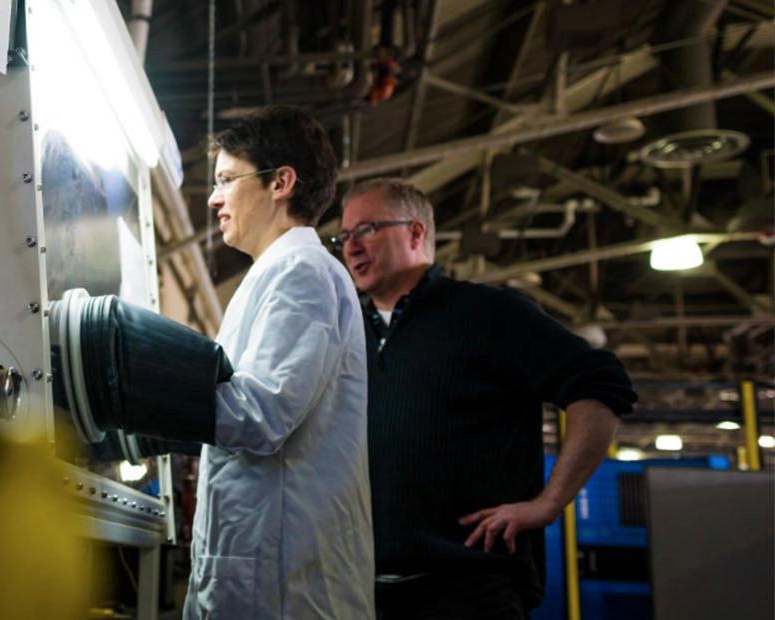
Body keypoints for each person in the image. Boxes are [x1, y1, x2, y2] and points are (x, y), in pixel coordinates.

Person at [335, 178, 637, 619]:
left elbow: (601, 385)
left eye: (367, 230)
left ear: (416, 233)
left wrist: (548, 503)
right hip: (363, 592)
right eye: (343, 236)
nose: (351, 247)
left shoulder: (486, 314)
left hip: (469, 591)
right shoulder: (346, 333)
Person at [184, 105, 373, 619]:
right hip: (263, 572)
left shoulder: (302, 274)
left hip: (284, 583)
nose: (214, 198)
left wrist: (149, 382)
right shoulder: (276, 274)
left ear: (280, 182)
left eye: (226, 179)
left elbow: (259, 415)